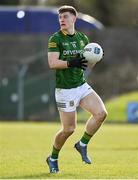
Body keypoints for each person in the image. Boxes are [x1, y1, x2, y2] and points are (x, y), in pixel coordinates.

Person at [46, 5, 108, 173]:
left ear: (74, 19)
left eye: (65, 17)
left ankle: (82, 144)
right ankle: (52, 158)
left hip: (81, 85)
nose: (62, 20)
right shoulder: (55, 39)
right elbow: (52, 63)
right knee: (69, 129)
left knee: (101, 113)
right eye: (60, 17)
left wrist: (96, 57)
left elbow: (87, 64)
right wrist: (70, 63)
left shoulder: (82, 38)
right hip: (65, 90)